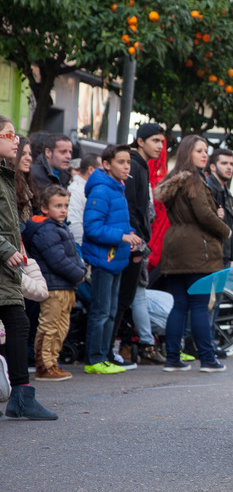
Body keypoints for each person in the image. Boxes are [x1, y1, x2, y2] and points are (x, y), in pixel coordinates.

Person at [154, 135, 231, 373]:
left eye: (206, 150)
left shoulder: (174, 180)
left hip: (175, 246)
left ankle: (172, 358)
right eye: (199, 151)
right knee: (198, 305)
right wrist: (225, 230)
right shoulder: (195, 181)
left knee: (179, 305)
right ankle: (207, 359)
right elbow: (204, 215)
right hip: (197, 248)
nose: (205, 154)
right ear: (188, 153)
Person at [0, 117, 58, 419]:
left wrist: (16, 245)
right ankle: (20, 396)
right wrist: (6, 248)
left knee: (18, 324)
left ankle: (21, 396)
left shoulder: (6, 175)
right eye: (9, 135)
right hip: (2, 261)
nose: (16, 141)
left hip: (7, 266)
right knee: (18, 324)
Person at [82, 144, 142, 375]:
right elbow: (93, 228)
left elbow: (117, 223)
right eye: (121, 162)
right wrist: (123, 236)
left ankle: (105, 356)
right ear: (106, 165)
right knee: (101, 311)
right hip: (103, 260)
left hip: (117, 258)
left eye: (128, 162)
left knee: (111, 310)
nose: (126, 166)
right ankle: (94, 359)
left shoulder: (118, 188)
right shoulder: (101, 190)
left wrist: (132, 234)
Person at [114, 123, 165, 366]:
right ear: (140, 141)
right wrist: (139, 239)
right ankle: (111, 349)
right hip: (132, 241)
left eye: (162, 142)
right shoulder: (134, 164)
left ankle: (124, 346)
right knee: (123, 298)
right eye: (155, 140)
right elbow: (132, 206)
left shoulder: (142, 166)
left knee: (130, 296)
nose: (160, 146)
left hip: (139, 239)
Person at [22, 185, 86, 381]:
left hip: (66, 286)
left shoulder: (61, 228)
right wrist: (78, 274)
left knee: (61, 327)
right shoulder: (46, 229)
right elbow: (57, 260)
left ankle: (53, 362)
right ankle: (44, 365)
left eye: (66, 205)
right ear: (44, 208)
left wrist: (80, 269)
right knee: (49, 327)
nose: (63, 210)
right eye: (58, 206)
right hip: (53, 286)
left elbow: (73, 255)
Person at [205, 148, 233, 267]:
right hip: (212, 255)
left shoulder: (226, 191)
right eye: (224, 163)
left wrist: (232, 257)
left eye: (231, 164)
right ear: (213, 167)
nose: (229, 167)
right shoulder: (208, 188)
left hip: (224, 256)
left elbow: (229, 227)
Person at [29, 133, 73, 205]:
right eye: (63, 152)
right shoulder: (33, 174)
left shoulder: (65, 177)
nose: (68, 156)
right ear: (48, 152)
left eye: (70, 152)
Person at [68, 154, 99, 247]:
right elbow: (74, 223)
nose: (106, 172)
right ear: (91, 170)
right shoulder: (76, 190)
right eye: (102, 168)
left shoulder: (91, 188)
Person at [13, 138, 34, 224]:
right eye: (23, 154)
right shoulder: (10, 183)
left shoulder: (27, 183)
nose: (28, 158)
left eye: (30, 154)